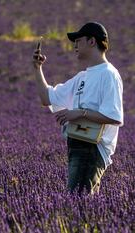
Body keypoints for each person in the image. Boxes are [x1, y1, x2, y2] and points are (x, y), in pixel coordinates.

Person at [32, 22, 124, 194]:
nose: (74, 45)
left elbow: (114, 116)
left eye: (78, 40)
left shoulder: (109, 74)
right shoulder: (82, 77)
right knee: (81, 204)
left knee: (76, 202)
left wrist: (79, 113)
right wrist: (37, 69)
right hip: (76, 145)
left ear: (92, 42)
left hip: (93, 149)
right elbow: (47, 98)